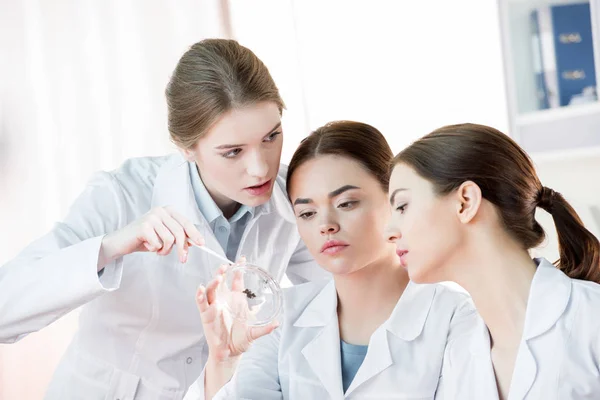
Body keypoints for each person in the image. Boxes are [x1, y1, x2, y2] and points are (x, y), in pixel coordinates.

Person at [0, 38, 329, 399]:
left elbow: (335, 299)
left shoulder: (294, 197)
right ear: (186, 147)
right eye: (232, 152)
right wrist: (111, 247)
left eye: (271, 137)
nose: (260, 167)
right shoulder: (121, 194)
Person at [188, 121, 475, 399]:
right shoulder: (283, 319)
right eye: (308, 213)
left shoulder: (455, 318)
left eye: (346, 203)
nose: (326, 224)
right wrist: (223, 360)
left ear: (394, 200)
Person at [386, 123, 600, 399]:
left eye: (402, 206)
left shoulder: (591, 320)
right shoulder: (457, 356)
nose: (389, 231)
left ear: (465, 201)